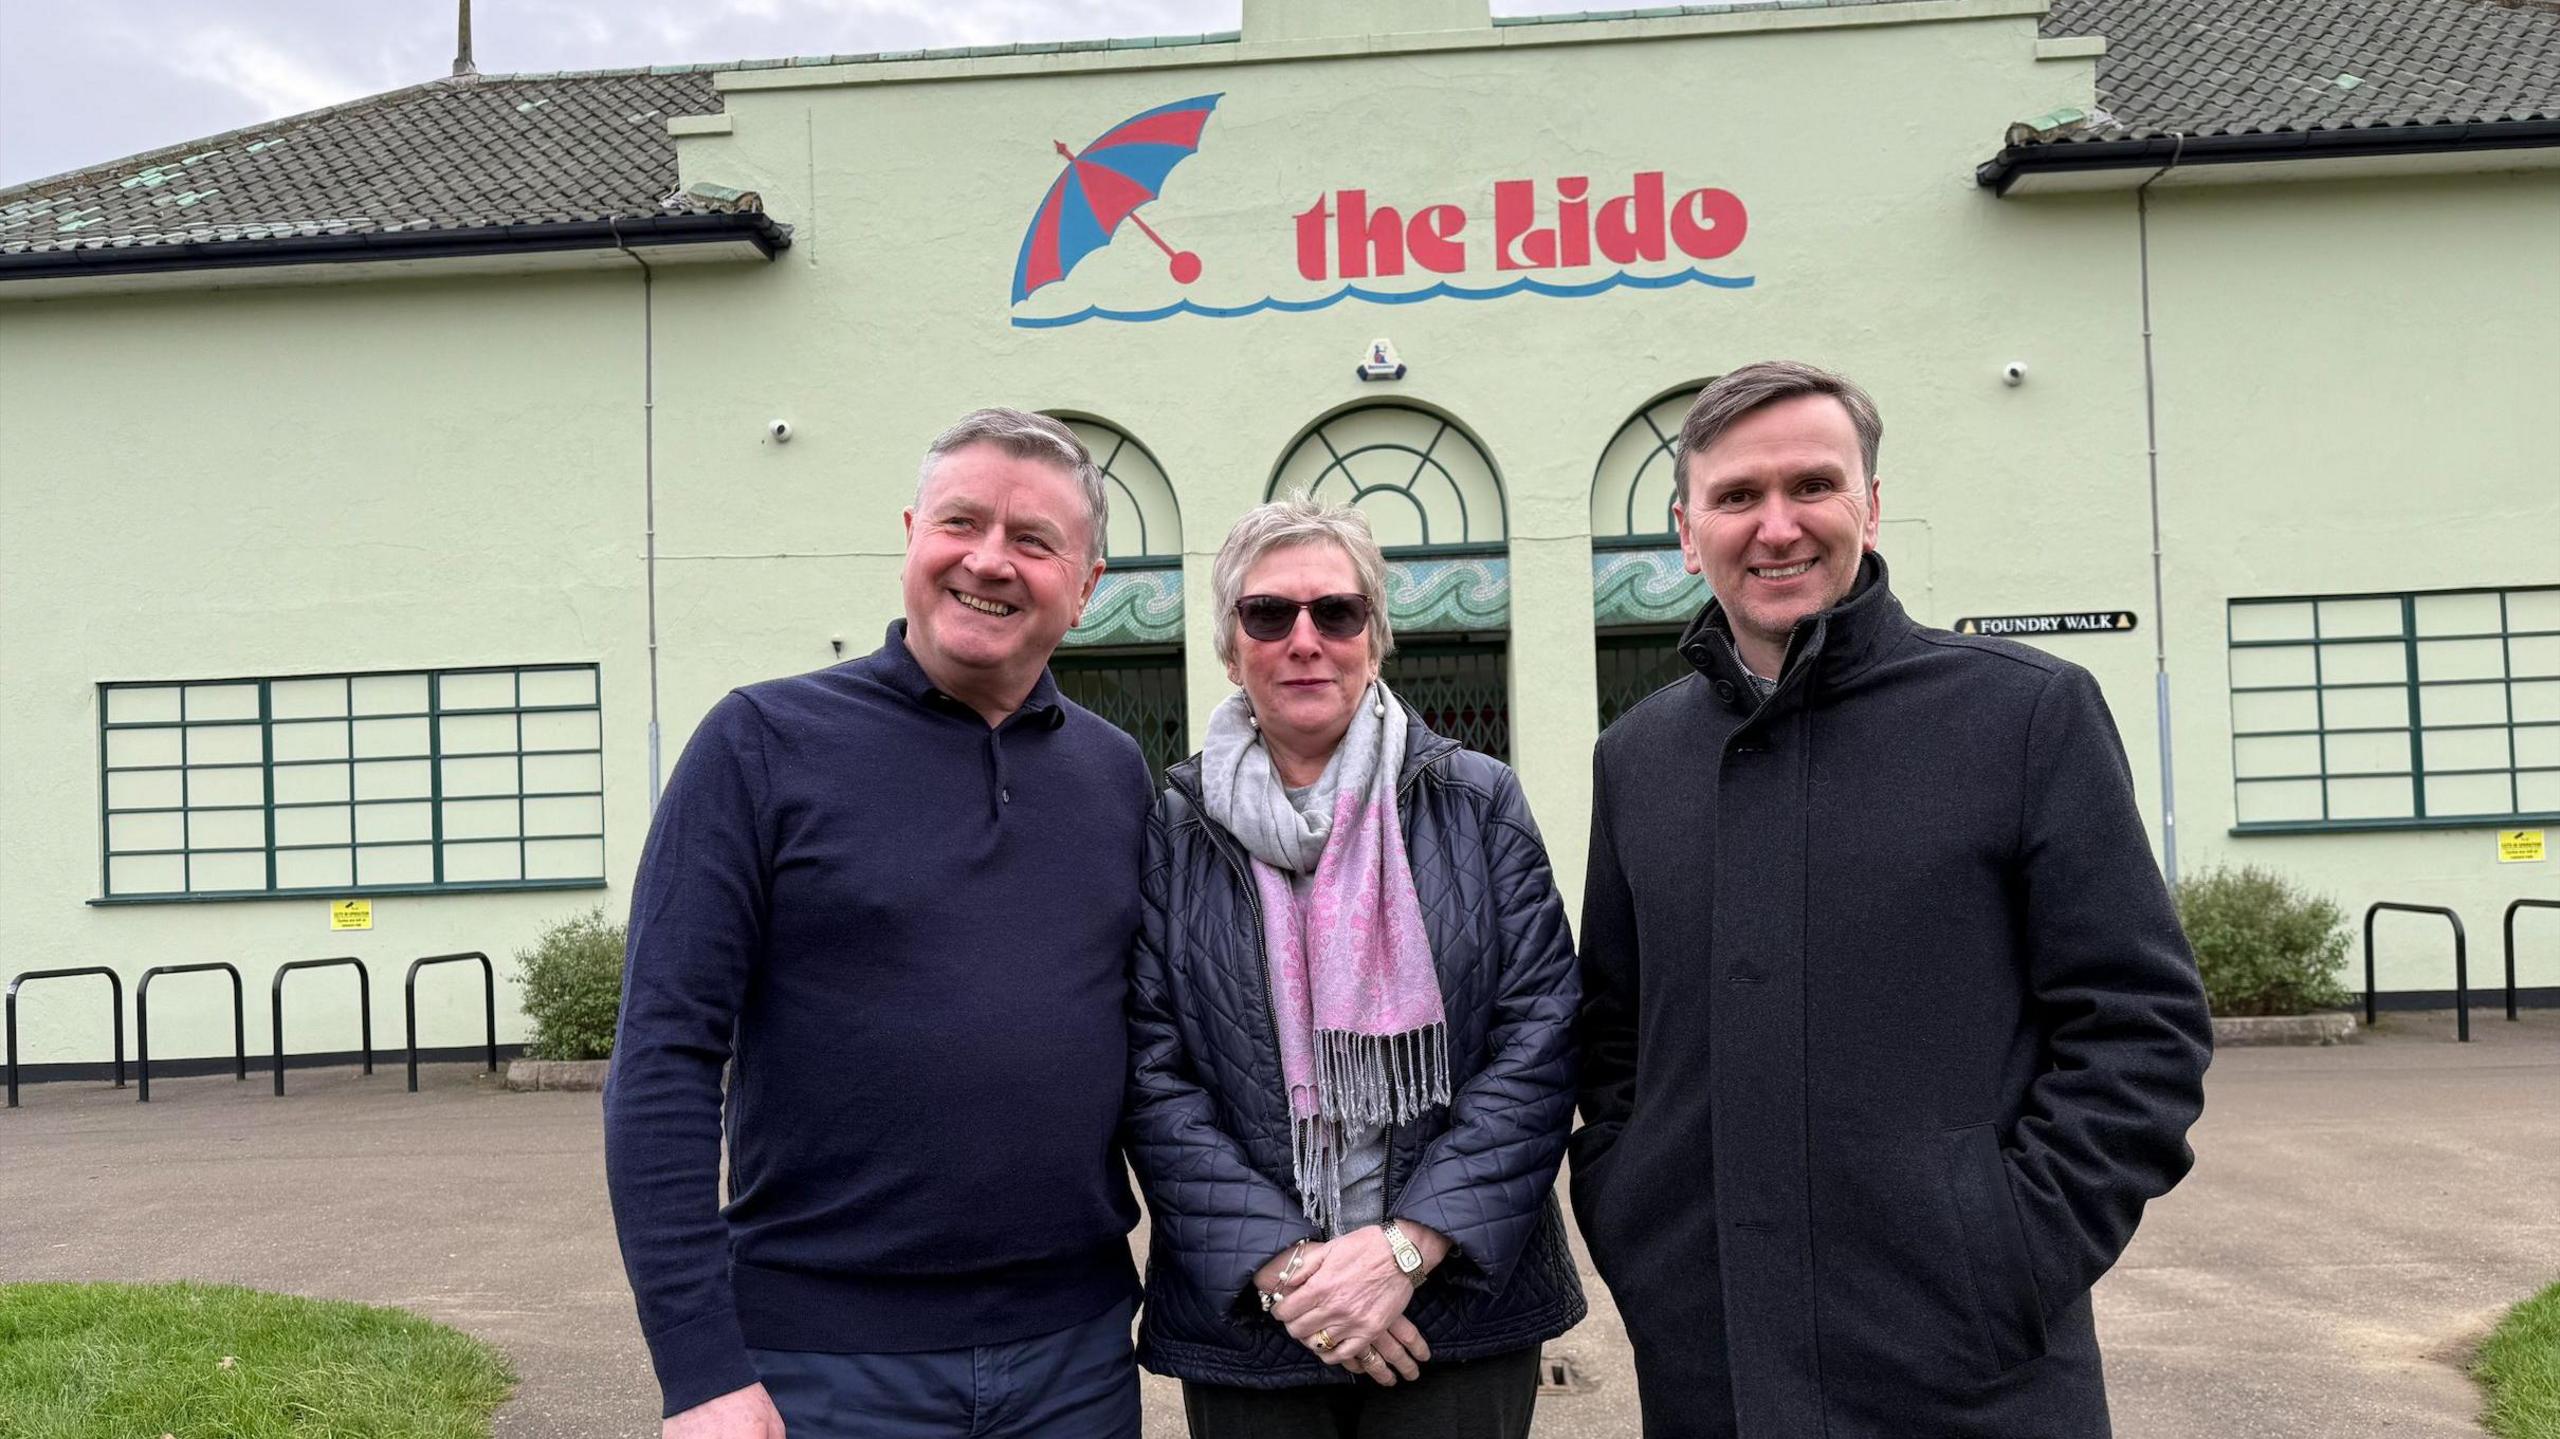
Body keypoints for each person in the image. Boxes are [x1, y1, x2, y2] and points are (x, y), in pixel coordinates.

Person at [1573, 361, 2213, 1437]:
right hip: (1712, 1364)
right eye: (1736, 497)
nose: (1775, 526)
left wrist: (2007, 1254)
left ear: (1868, 507)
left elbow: (2140, 1028)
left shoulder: (2024, 715)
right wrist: (1638, 1221)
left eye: (1811, 485)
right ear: (1689, 533)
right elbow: (1614, 1037)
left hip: (1968, 1372)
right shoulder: (1636, 756)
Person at [603, 408, 1152, 1439]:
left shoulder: (1113, 775)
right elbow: (664, 1058)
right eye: (960, 522)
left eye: (1033, 541)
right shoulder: (759, 744)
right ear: (910, 534)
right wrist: (697, 1365)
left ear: (1082, 589)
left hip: (1075, 1358)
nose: (989, 560)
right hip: (824, 1365)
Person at [1125, 494, 1587, 1439]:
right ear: (1229, 645)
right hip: (1258, 1323)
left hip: (1453, 1309)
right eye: (1269, 614)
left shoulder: (1477, 799)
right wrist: (1288, 1269)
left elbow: (1542, 1034)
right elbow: (1146, 1063)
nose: (1305, 639)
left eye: (1336, 612)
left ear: (1373, 638)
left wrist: (1405, 1253)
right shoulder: (1169, 826)